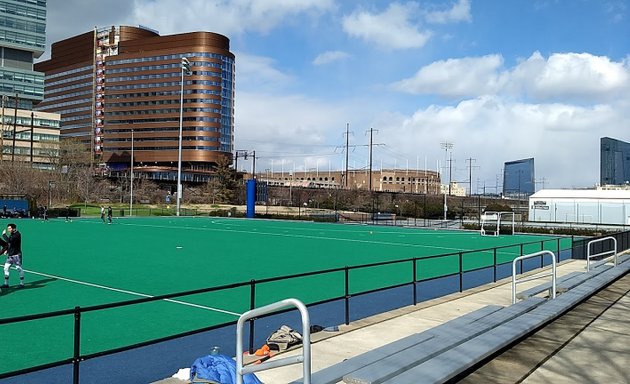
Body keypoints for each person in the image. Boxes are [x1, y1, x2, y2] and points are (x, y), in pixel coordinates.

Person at [1, 223, 24, 289]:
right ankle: (6, 283)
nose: (8, 230)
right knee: (6, 268)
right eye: (8, 228)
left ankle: (22, 283)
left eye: (9, 228)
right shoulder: (12, 234)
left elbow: (9, 241)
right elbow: (10, 244)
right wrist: (7, 250)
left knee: (18, 268)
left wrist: (3, 235)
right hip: (10, 255)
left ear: (14, 228)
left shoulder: (17, 235)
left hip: (16, 255)